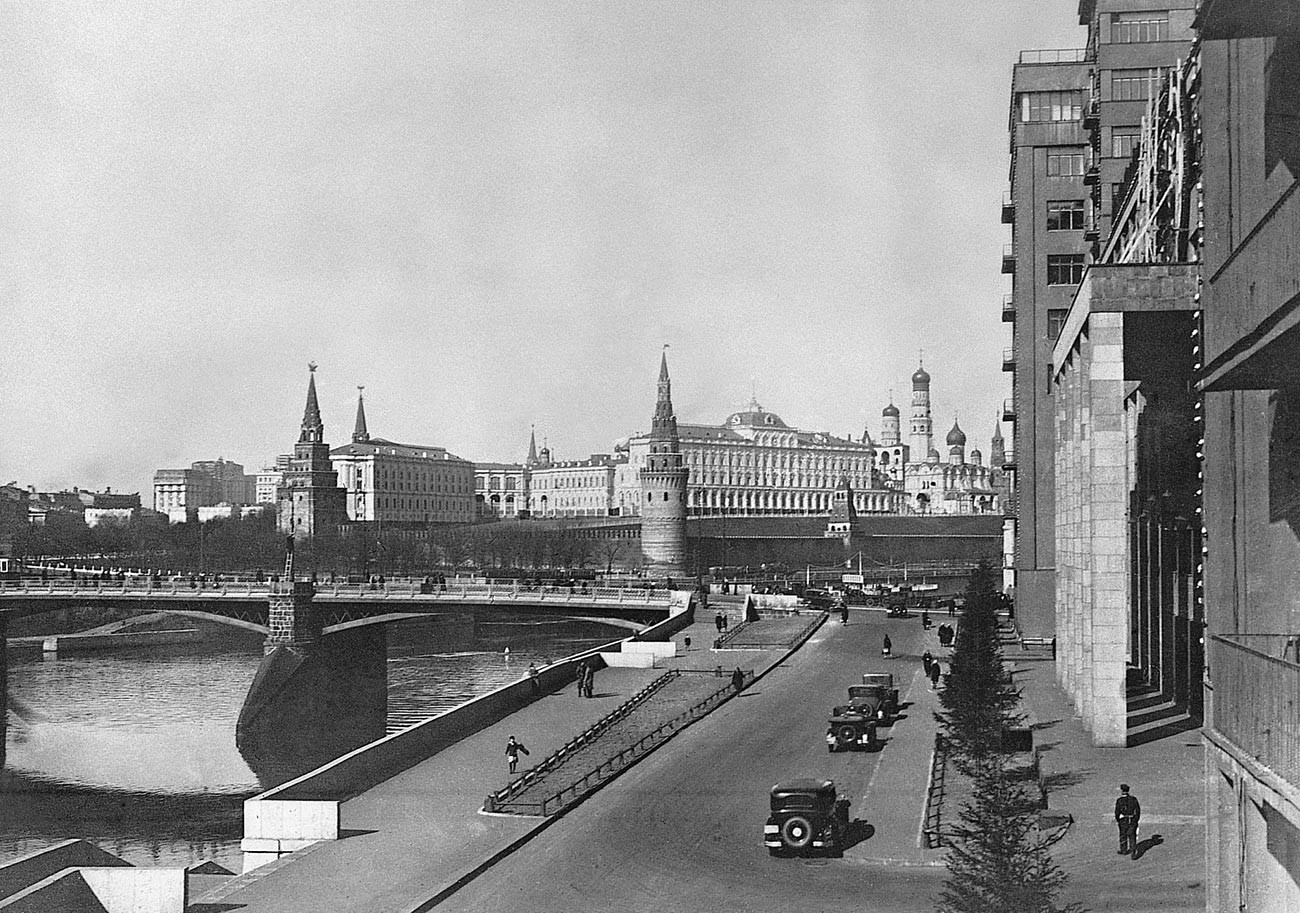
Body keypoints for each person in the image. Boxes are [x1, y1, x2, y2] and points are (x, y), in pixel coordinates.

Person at [1115, 784, 1141, 858]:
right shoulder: (1133, 799)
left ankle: (1124, 850)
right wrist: (1136, 819)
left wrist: (1118, 819)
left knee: (1123, 835)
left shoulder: (1119, 800)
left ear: (1122, 791)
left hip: (1123, 820)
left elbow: (1117, 811)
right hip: (1132, 819)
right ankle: (1133, 852)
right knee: (1132, 835)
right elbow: (1138, 810)